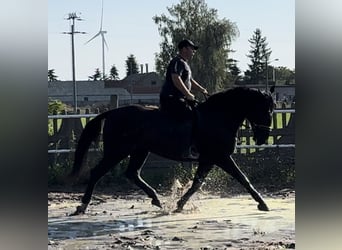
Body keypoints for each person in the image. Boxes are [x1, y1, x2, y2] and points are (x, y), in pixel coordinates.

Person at [159, 39, 208, 159]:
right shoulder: (177, 62)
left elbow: (190, 80)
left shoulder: (185, 64)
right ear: (184, 49)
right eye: (192, 49)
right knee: (192, 115)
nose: (194, 52)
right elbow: (176, 78)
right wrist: (188, 94)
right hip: (171, 98)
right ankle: (186, 148)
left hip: (180, 99)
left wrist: (202, 90)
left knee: (198, 114)